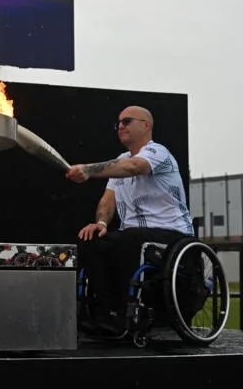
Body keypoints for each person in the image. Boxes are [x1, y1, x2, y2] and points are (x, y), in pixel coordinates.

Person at [66, 105, 194, 336]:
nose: (121, 126)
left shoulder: (158, 153)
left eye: (127, 121)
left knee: (131, 237)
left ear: (146, 125)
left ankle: (123, 310)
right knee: (92, 240)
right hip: (134, 235)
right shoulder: (121, 160)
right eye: (119, 123)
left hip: (172, 233)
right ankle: (105, 313)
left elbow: (135, 167)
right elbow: (107, 200)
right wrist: (102, 224)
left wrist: (89, 169)